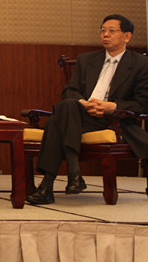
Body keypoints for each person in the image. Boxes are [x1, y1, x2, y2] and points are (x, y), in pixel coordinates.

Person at [26, 14, 148, 205]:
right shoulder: (87, 59)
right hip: (82, 115)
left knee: (56, 121)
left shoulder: (141, 64)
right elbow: (70, 91)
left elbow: (142, 103)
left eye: (111, 31)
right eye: (103, 30)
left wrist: (112, 107)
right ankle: (73, 173)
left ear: (127, 36)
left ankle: (48, 186)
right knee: (68, 105)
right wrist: (83, 103)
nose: (105, 35)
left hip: (113, 120)